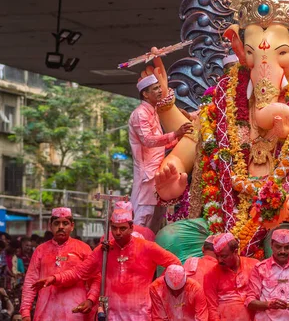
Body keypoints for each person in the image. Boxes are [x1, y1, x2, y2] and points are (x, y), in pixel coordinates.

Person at [36, 203, 181, 320]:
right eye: (114, 228)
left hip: (142, 314)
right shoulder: (104, 250)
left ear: (131, 227)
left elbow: (175, 265)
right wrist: (55, 278)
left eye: (123, 228)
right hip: (112, 315)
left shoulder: (147, 247)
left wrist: (157, 287)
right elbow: (79, 272)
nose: (118, 233)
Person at [128, 73, 193, 233]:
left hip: (158, 172)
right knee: (142, 219)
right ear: (145, 93)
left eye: (159, 87)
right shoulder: (140, 114)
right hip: (147, 176)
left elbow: (158, 145)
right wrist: (175, 134)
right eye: (155, 88)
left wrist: (179, 140)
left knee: (157, 220)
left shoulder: (154, 112)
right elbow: (148, 140)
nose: (159, 91)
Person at [19, 207, 99, 321]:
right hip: (46, 313)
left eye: (65, 223)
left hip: (75, 312)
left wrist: (91, 299)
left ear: (72, 226)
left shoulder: (83, 249)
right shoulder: (41, 250)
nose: (61, 227)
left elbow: (96, 278)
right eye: (57, 223)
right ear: (50, 226)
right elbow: (30, 281)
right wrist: (25, 311)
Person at [246, 229, 289, 320]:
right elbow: (250, 302)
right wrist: (268, 304)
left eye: (287, 247)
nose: (283, 251)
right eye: (278, 247)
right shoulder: (260, 268)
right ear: (271, 245)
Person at [203, 233, 258, 321]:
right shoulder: (210, 275)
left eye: (224, 256)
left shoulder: (254, 265)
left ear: (235, 251)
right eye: (217, 256)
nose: (219, 260)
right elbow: (212, 308)